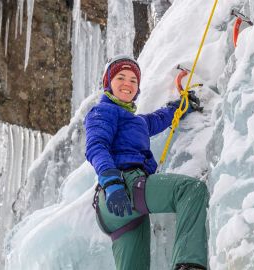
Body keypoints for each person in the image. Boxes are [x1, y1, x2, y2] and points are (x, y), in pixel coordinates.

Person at [85, 55, 209, 270]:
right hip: (122, 187)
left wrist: (182, 105)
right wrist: (111, 181)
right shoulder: (103, 111)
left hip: (119, 212)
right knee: (190, 190)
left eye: (133, 80)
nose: (127, 84)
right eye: (121, 78)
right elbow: (96, 146)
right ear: (108, 84)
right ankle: (188, 265)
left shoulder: (136, 121)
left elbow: (160, 118)